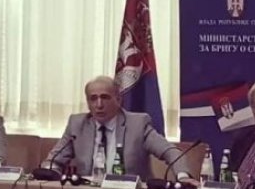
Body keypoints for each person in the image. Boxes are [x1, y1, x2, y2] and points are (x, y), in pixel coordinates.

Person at [42, 76, 193, 182]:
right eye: (93, 98)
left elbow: (171, 152)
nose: (99, 105)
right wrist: (50, 171)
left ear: (119, 100)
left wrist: (183, 176)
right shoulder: (77, 124)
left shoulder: (137, 124)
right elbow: (54, 160)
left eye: (105, 97)